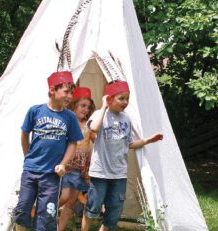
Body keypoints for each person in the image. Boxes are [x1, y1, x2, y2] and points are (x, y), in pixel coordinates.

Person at [81, 80, 163, 231]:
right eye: (121, 98)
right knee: (93, 208)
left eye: (127, 98)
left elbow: (129, 144)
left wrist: (147, 140)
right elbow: (94, 128)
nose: (125, 102)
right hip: (100, 173)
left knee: (114, 211)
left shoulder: (126, 118)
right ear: (109, 98)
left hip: (119, 174)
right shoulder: (100, 114)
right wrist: (104, 107)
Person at [13, 71, 84, 231]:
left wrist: (63, 164)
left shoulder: (70, 117)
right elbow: (24, 134)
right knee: (23, 209)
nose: (70, 96)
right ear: (52, 90)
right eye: (67, 91)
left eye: (71, 92)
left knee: (47, 214)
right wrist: (27, 156)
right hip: (30, 171)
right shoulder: (35, 111)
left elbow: (73, 143)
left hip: (51, 175)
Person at [58, 87, 95, 231]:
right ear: (74, 105)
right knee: (65, 196)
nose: (86, 109)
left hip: (81, 169)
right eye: (82, 106)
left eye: (88, 107)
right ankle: (45, 211)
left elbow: (94, 139)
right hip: (68, 167)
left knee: (71, 203)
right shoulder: (67, 121)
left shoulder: (88, 125)